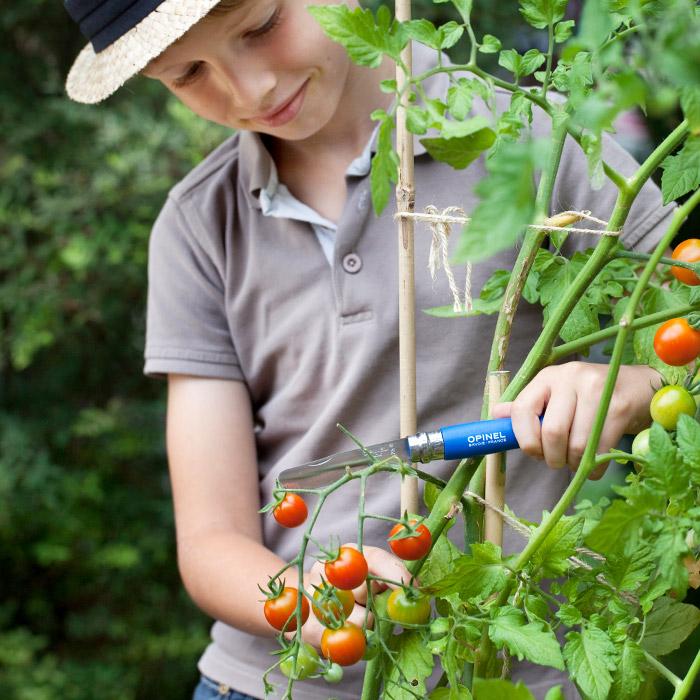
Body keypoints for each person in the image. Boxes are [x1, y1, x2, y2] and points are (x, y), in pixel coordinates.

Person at [63, 1, 675, 699]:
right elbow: (209, 542)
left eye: (261, 27)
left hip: (520, 674)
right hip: (279, 682)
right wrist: (305, 599)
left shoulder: (527, 140)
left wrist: (627, 382)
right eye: (187, 72)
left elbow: (683, 316)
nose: (249, 90)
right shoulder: (200, 227)